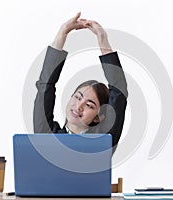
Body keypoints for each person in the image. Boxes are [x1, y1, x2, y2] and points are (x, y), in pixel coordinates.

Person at [33, 12, 128, 149]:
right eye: (78, 97)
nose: (79, 106)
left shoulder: (104, 139)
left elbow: (119, 91)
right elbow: (45, 85)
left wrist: (103, 39)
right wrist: (63, 32)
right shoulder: (46, 135)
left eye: (89, 105)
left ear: (98, 117)